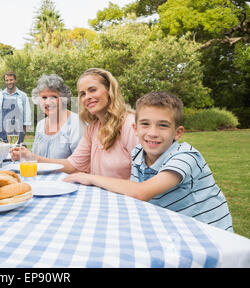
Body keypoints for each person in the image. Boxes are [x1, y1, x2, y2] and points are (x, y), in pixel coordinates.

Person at [64, 91, 233, 232]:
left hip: (210, 235)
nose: (152, 132)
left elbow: (141, 192)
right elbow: (135, 200)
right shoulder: (138, 153)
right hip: (175, 229)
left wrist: (91, 178)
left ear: (178, 132)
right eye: (145, 124)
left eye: (163, 125)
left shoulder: (185, 157)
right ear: (135, 129)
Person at [14, 68, 138, 179]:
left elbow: (145, 182)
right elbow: (73, 164)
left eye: (93, 90)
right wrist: (32, 157)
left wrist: (93, 180)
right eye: (82, 94)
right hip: (99, 195)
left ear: (109, 90)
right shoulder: (93, 128)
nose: (87, 97)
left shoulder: (130, 125)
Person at [13, 74, 83, 159]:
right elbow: (35, 158)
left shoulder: (76, 124)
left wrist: (32, 157)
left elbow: (79, 165)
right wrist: (24, 155)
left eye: (53, 97)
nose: (48, 102)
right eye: (44, 97)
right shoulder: (41, 125)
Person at [0, 71, 32, 144]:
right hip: (1, 131)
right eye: (7, 80)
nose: (9, 82)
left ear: (15, 80)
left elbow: (27, 114)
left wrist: (24, 131)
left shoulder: (22, 96)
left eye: (11, 80)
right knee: (1, 153)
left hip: (17, 131)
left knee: (16, 153)